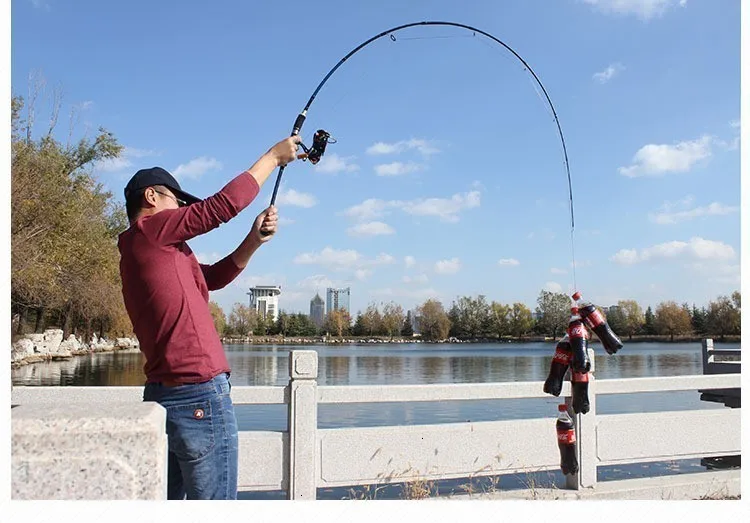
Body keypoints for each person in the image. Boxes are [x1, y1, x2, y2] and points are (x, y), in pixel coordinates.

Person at [117, 136, 300, 500]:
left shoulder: (151, 251)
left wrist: (253, 240)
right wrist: (273, 157)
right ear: (152, 197)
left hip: (163, 396)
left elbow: (212, 278)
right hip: (198, 393)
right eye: (177, 200)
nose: (183, 208)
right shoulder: (149, 232)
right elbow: (220, 207)